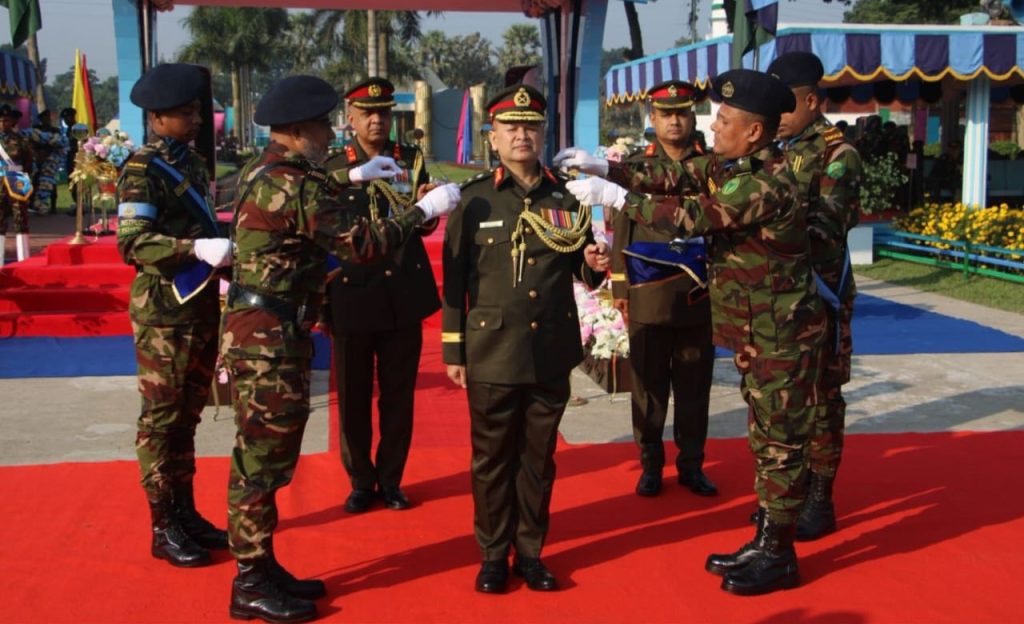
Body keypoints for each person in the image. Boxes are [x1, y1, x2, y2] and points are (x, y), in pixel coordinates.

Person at [566, 69, 825, 596]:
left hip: (780, 333)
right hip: (762, 331)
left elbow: (694, 215)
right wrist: (612, 167)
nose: (714, 124)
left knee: (779, 443)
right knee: (765, 437)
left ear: (754, 131)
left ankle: (779, 554)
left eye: (724, 119)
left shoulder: (765, 181)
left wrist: (617, 200)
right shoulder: (741, 165)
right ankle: (769, 536)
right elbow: (678, 177)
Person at [221, 74, 460, 623]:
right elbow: (360, 243)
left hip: (269, 329)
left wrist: (353, 174)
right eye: (325, 124)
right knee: (260, 462)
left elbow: (311, 200)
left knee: (267, 457)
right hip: (268, 337)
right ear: (300, 129)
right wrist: (424, 211)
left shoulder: (267, 169)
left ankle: (260, 563)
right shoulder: (291, 181)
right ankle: (250, 580)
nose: (331, 133)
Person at [442, 84, 609, 595]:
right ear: (493, 137)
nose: (521, 134)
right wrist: (455, 350)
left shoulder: (564, 195)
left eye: (530, 126)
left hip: (549, 349)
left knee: (537, 460)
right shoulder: (474, 199)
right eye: (511, 127)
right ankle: (493, 554)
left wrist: (596, 266)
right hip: (492, 350)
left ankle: (531, 552)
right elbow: (454, 282)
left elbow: (581, 264)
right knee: (492, 460)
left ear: (541, 134)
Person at [553, 80, 717, 498]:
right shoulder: (635, 166)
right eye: (666, 114)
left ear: (693, 116)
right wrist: (621, 287)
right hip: (648, 292)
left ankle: (691, 464)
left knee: (695, 385)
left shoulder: (714, 166)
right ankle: (650, 463)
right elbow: (622, 226)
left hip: (698, 291)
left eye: (682, 112)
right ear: (653, 119)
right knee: (648, 386)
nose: (675, 121)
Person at [116, 64, 231, 570]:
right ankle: (161, 524)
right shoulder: (143, 169)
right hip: (164, 313)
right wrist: (194, 247)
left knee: (188, 417)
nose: (196, 120)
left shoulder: (192, 163)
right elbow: (132, 243)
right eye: (185, 114)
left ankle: (185, 511)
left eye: (196, 112)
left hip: (199, 306)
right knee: (160, 422)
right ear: (157, 117)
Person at [324, 78, 440, 514]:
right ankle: (359, 479)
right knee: (353, 396)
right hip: (352, 292)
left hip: (401, 292)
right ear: (350, 118)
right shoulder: (335, 164)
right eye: (368, 113)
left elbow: (423, 221)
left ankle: (391, 478)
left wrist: (428, 208)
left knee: (398, 395)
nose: (377, 121)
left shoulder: (410, 158)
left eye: (384, 113)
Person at [769, 51, 863, 541]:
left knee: (823, 398)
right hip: (776, 300)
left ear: (810, 100)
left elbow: (827, 228)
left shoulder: (836, 153)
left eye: (785, 105)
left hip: (819, 296)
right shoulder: (770, 148)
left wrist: (762, 225)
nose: (776, 114)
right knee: (781, 401)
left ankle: (820, 497)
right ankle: (788, 491)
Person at [0, 103, 34, 265]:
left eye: (6, 121)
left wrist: (23, 176)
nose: (3, 124)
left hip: (16, 180)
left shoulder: (20, 139)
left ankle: (24, 257)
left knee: (20, 217)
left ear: (11, 122)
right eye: (0, 120)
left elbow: (28, 161)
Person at [30, 109, 66, 215]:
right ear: (41, 120)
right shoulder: (36, 130)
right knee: (36, 182)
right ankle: (36, 205)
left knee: (51, 183)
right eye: (44, 118)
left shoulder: (55, 131)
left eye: (48, 118)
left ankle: (53, 206)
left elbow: (59, 144)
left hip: (51, 159)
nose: (47, 120)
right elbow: (33, 143)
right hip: (38, 158)